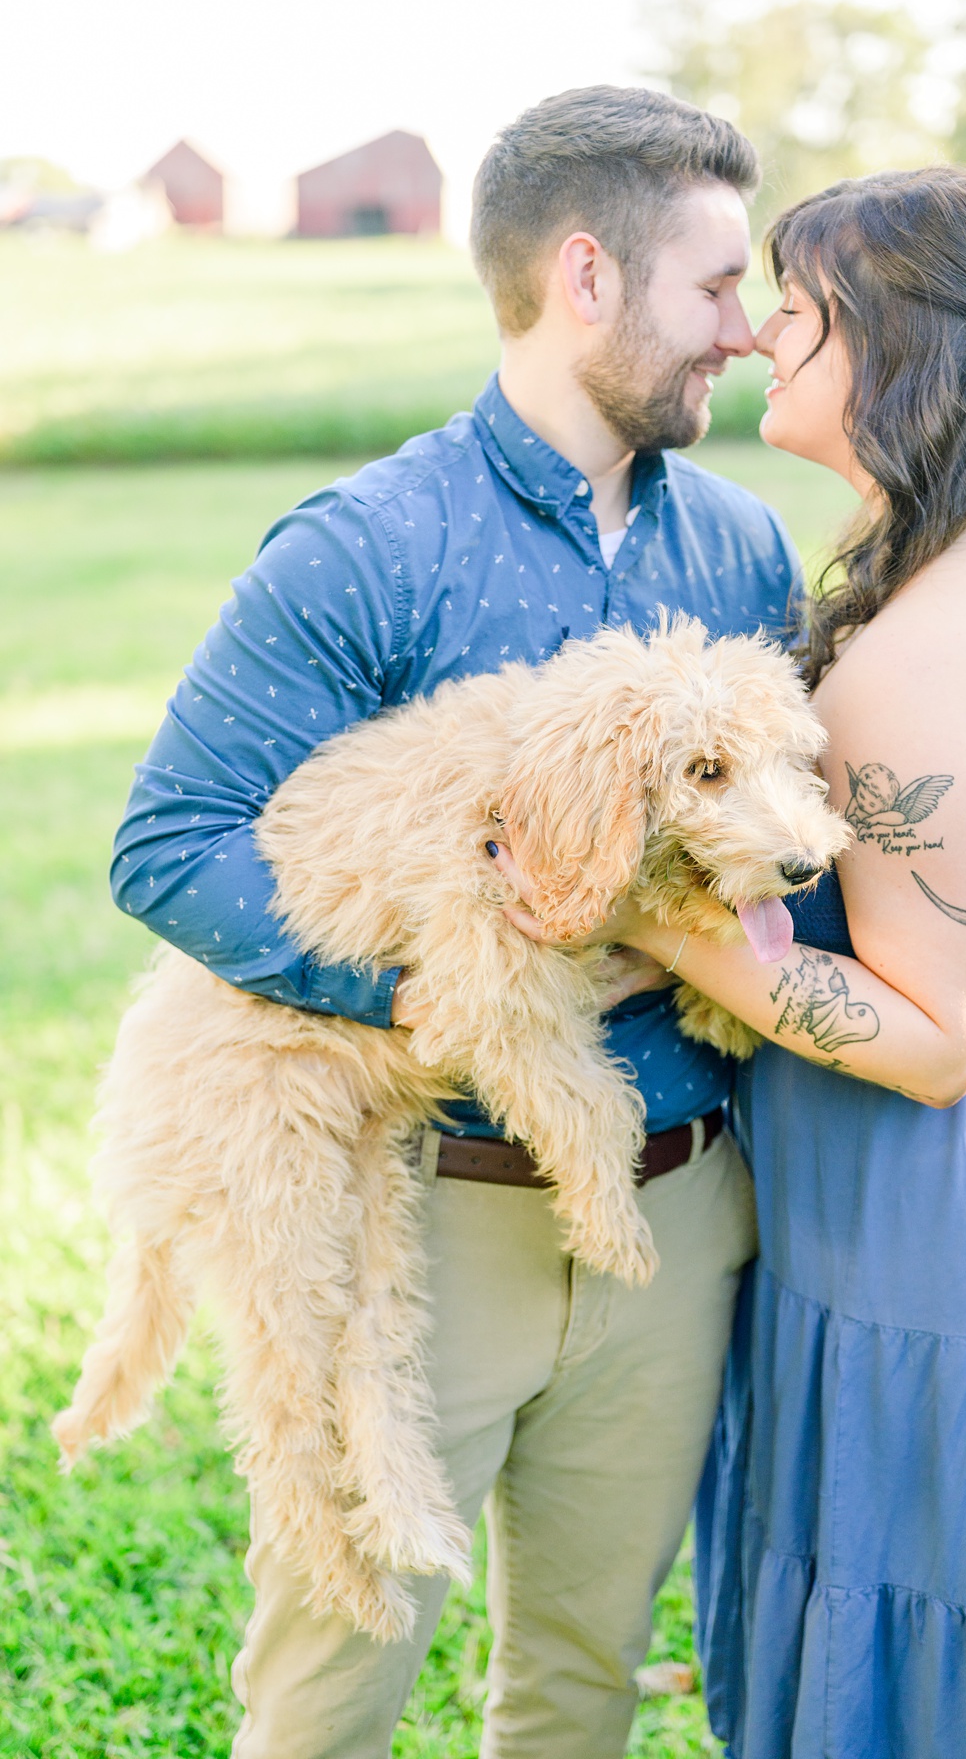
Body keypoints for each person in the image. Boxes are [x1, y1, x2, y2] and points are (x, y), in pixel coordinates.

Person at [110, 86, 797, 1755]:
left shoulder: (749, 550)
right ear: (585, 275)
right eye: (716, 287)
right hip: (424, 1209)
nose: (752, 331)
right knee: (330, 1693)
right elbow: (167, 842)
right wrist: (470, 977)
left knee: (579, 1688)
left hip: (688, 1207)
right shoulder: (364, 551)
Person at [511, 165, 966, 1755]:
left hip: (933, 1231)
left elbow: (937, 1038)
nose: (755, 340)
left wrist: (641, 911)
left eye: (797, 313)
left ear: (897, 355)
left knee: (936, 1634)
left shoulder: (919, 662)